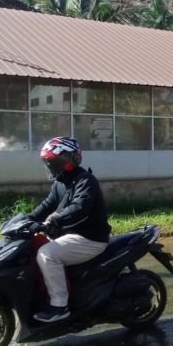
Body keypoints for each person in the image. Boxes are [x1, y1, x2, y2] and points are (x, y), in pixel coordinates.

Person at [27, 136, 111, 323]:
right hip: (69, 237)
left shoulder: (86, 181)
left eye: (53, 162)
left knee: (47, 254)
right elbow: (46, 206)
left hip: (89, 239)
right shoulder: (60, 183)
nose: (50, 167)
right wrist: (25, 220)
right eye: (48, 163)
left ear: (68, 160)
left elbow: (79, 207)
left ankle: (59, 306)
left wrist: (55, 219)